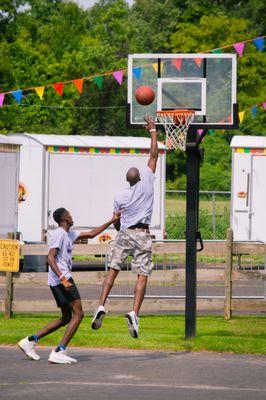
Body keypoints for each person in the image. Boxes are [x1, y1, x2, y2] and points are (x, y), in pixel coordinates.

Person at [18, 208, 121, 364]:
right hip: (62, 280)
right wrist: (63, 279)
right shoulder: (59, 234)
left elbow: (92, 233)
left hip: (59, 280)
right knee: (78, 314)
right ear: (65, 217)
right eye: (70, 215)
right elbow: (50, 258)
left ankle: (30, 341)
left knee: (67, 317)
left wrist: (112, 221)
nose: (72, 217)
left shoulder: (68, 234)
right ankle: (59, 350)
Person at [91, 115, 158, 338]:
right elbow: (153, 155)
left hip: (124, 233)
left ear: (127, 180)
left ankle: (101, 305)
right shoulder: (148, 181)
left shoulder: (120, 195)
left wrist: (120, 223)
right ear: (139, 177)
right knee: (142, 275)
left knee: (113, 271)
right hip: (142, 234)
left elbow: (117, 219)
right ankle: (134, 312)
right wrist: (152, 130)